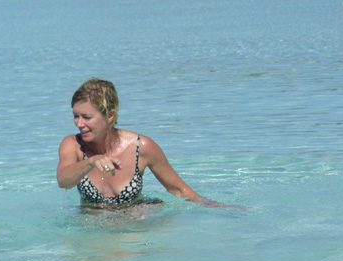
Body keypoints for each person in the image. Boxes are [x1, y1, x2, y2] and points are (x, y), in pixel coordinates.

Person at [56, 78, 222, 207]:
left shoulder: (141, 147)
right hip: (93, 223)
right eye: (75, 116)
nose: (79, 124)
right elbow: (63, 181)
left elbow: (178, 189)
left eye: (87, 117)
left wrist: (218, 207)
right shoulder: (73, 145)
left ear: (110, 116)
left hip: (134, 221)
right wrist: (91, 162)